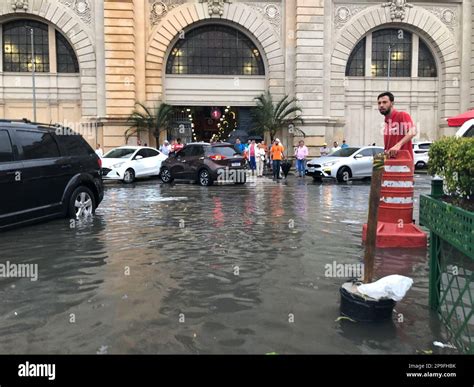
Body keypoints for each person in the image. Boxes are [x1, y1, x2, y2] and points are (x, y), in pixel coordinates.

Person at [377, 91, 416, 158]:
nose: (381, 105)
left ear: (392, 103)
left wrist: (398, 145)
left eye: (384, 102)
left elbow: (413, 131)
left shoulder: (402, 115)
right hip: (390, 163)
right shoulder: (386, 123)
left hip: (403, 163)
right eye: (379, 103)